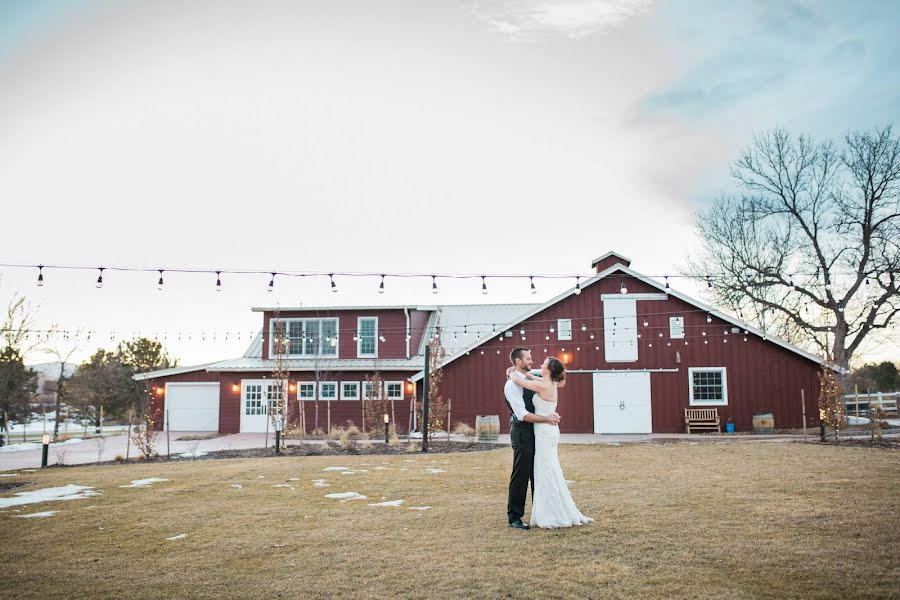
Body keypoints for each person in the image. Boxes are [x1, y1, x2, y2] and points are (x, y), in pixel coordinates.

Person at [507, 356, 593, 529]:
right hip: (546, 430)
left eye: (543, 364)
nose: (539, 365)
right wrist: (527, 374)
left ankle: (550, 512)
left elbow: (521, 381)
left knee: (545, 468)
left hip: (545, 430)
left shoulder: (544, 384)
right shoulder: (549, 382)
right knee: (547, 468)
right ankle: (549, 508)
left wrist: (511, 373)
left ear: (548, 370)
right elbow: (533, 376)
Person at [504, 347, 560, 530]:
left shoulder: (529, 376)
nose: (531, 361)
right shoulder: (512, 386)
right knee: (521, 474)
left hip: (538, 432)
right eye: (528, 358)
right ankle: (514, 517)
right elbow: (523, 414)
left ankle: (541, 512)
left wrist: (550, 413)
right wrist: (547, 418)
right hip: (522, 432)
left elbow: (551, 375)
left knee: (539, 473)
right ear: (518, 361)